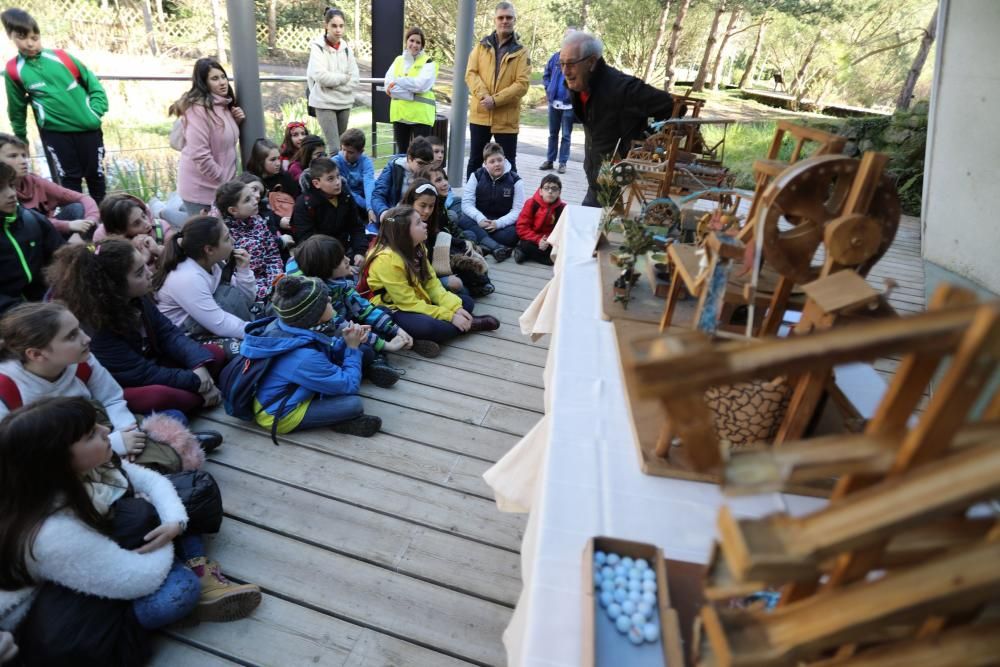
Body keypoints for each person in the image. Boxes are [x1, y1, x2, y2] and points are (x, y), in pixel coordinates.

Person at [0, 397, 260, 664]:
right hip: (51, 618)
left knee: (170, 504)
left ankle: (194, 566)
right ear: (57, 461)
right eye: (91, 434)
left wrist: (173, 522)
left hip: (89, 566)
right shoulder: (53, 532)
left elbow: (148, 479)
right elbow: (139, 579)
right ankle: (194, 573)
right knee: (179, 591)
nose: (106, 432)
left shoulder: (86, 472)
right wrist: (164, 534)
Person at [45, 240, 226, 417]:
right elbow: (140, 374)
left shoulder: (137, 297)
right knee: (157, 396)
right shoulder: (94, 325)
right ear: (113, 287)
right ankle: (201, 398)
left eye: (145, 265)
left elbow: (168, 333)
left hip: (154, 365)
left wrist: (198, 365)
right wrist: (196, 381)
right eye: (139, 273)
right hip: (126, 385)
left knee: (213, 353)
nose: (149, 273)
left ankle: (193, 399)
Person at [240, 275, 383, 436]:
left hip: (291, 386)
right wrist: (352, 348)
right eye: (326, 302)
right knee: (353, 405)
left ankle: (331, 408)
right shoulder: (303, 357)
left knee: (363, 352)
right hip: (278, 414)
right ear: (316, 315)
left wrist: (345, 341)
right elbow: (349, 386)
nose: (329, 298)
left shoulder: (287, 326)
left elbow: (323, 347)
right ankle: (337, 421)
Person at [2, 8, 109, 202]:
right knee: (69, 179)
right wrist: (21, 140)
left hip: (88, 129)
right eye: (22, 37)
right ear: (11, 36)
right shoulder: (13, 70)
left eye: (35, 37)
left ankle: (105, 220)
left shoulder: (61, 57)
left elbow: (93, 85)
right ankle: (80, 222)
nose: (30, 43)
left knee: (96, 175)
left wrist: (95, 112)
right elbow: (17, 109)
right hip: (56, 133)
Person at [559, 31, 675, 206]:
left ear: (591, 62)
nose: (565, 71)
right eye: (561, 64)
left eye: (571, 64)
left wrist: (645, 139)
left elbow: (670, 106)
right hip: (596, 181)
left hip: (623, 186)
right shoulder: (578, 86)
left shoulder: (624, 88)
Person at [360, 205, 499, 344]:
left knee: (465, 302)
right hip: (393, 309)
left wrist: (455, 308)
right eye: (418, 223)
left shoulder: (418, 247)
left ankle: (446, 330)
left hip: (419, 298)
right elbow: (407, 303)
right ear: (404, 232)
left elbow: (432, 284)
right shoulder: (386, 260)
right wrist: (450, 316)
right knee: (430, 328)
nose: (425, 224)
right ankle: (469, 324)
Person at [286, 235, 413, 380]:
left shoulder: (338, 280)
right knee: (365, 351)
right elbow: (338, 327)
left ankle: (381, 353)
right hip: (326, 338)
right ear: (326, 269)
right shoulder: (314, 297)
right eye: (340, 259)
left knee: (382, 313)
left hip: (344, 321)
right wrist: (384, 345)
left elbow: (363, 307)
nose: (347, 260)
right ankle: (375, 360)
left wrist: (396, 328)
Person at [153, 216, 256, 349]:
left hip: (207, 323)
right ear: (209, 250)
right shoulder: (187, 277)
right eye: (226, 238)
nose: (233, 240)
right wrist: (256, 332)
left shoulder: (213, 262)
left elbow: (246, 300)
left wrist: (243, 271)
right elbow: (219, 323)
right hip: (182, 339)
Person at [170, 57, 245, 216]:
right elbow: (200, 154)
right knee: (206, 236)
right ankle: (169, 216)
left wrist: (235, 121)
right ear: (204, 83)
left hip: (221, 188)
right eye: (215, 78)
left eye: (223, 77)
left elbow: (221, 140)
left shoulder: (223, 106)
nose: (222, 82)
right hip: (201, 191)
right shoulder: (197, 110)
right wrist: (222, 178)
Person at [464, 2, 530, 177]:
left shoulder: (522, 52)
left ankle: (511, 203)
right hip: (481, 115)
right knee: (475, 161)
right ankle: (471, 200)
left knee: (509, 164)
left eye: (508, 17)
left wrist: (496, 100)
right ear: (495, 20)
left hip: (506, 119)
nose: (504, 21)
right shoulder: (481, 46)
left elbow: (522, 84)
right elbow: (471, 74)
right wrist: (486, 96)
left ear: (514, 20)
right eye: (501, 17)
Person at [402, 177, 493, 298]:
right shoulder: (402, 226)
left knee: (467, 244)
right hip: (420, 277)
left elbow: (439, 234)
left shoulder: (433, 219)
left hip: (434, 264)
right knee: (463, 293)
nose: (427, 211)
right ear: (411, 202)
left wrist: (463, 243)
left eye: (431, 206)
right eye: (422, 205)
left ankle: (478, 282)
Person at [0, 133, 98, 238]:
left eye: (23, 155)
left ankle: (87, 249)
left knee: (77, 208)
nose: (23, 161)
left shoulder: (35, 181)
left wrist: (91, 219)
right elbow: (23, 222)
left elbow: (81, 197)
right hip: (21, 238)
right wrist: (68, 225)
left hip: (50, 233)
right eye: (13, 156)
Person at [0, 162, 63, 316]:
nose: (11, 193)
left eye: (11, 185)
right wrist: (29, 313)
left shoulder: (31, 219)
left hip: (45, 305)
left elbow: (65, 252)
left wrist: (97, 248)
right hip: (11, 317)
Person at [215, 180, 289, 301]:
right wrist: (267, 293)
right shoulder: (225, 235)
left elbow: (272, 254)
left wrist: (276, 282)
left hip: (274, 281)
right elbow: (235, 278)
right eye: (247, 199)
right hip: (251, 292)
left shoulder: (257, 220)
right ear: (233, 210)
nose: (255, 200)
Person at [291, 158, 367, 268]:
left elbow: (356, 227)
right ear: (316, 183)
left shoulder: (346, 196)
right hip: (320, 258)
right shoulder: (304, 205)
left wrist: (359, 252)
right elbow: (307, 241)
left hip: (346, 250)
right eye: (330, 179)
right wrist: (338, 261)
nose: (337, 182)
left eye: (338, 176)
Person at [459, 141, 525, 261]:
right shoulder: (476, 176)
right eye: (492, 161)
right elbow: (467, 203)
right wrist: (479, 218)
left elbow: (518, 210)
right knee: (463, 220)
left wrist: (498, 223)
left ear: (504, 160)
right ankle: (496, 247)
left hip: (502, 224)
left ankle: (485, 243)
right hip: (480, 220)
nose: (497, 164)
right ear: (485, 163)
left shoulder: (516, 181)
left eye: (500, 160)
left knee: (512, 235)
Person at [306, 7, 360, 152]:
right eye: (334, 26)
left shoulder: (347, 49)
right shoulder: (317, 48)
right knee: (335, 149)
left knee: (344, 148)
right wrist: (343, 78)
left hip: (344, 103)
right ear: (326, 26)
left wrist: (333, 84)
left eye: (341, 26)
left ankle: (339, 175)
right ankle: (331, 175)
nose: (338, 30)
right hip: (324, 103)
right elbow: (320, 76)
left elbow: (355, 79)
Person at [385, 27, 437, 155]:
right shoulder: (398, 60)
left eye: (418, 42)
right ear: (406, 41)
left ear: (422, 45)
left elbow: (420, 86)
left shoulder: (429, 63)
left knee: (421, 156)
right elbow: (388, 86)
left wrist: (399, 80)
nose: (414, 45)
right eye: (411, 40)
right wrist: (410, 93)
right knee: (401, 155)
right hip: (400, 116)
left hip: (421, 117)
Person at [370, 136, 433, 231]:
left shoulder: (429, 172)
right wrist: (384, 213)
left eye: (427, 164)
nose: (424, 168)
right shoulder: (393, 168)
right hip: (395, 218)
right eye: (420, 163)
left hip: (421, 220)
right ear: (409, 158)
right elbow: (377, 195)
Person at [93, 193, 171, 269]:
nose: (147, 224)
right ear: (119, 231)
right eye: (136, 223)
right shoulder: (101, 239)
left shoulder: (161, 227)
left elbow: (178, 256)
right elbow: (95, 262)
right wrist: (130, 250)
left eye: (143, 216)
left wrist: (158, 251)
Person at [540, 28, 576, 174]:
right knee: (552, 134)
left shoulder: (579, 60)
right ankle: (550, 160)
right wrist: (548, 88)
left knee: (566, 136)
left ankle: (562, 163)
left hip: (569, 105)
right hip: (553, 103)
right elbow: (546, 74)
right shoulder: (555, 57)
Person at [514, 174, 565, 265]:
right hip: (532, 239)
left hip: (550, 241)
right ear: (540, 191)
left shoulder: (563, 208)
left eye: (554, 189)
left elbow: (563, 231)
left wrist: (549, 241)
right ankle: (545, 258)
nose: (550, 191)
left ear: (559, 192)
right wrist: (538, 240)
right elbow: (522, 227)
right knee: (525, 245)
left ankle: (526, 254)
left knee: (562, 248)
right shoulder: (531, 203)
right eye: (546, 188)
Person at [333, 128, 375, 225]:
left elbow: (369, 184)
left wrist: (370, 208)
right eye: (343, 149)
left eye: (350, 152)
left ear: (361, 151)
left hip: (363, 198)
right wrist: (366, 206)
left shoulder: (366, 162)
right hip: (346, 197)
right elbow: (345, 189)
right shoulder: (336, 162)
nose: (345, 155)